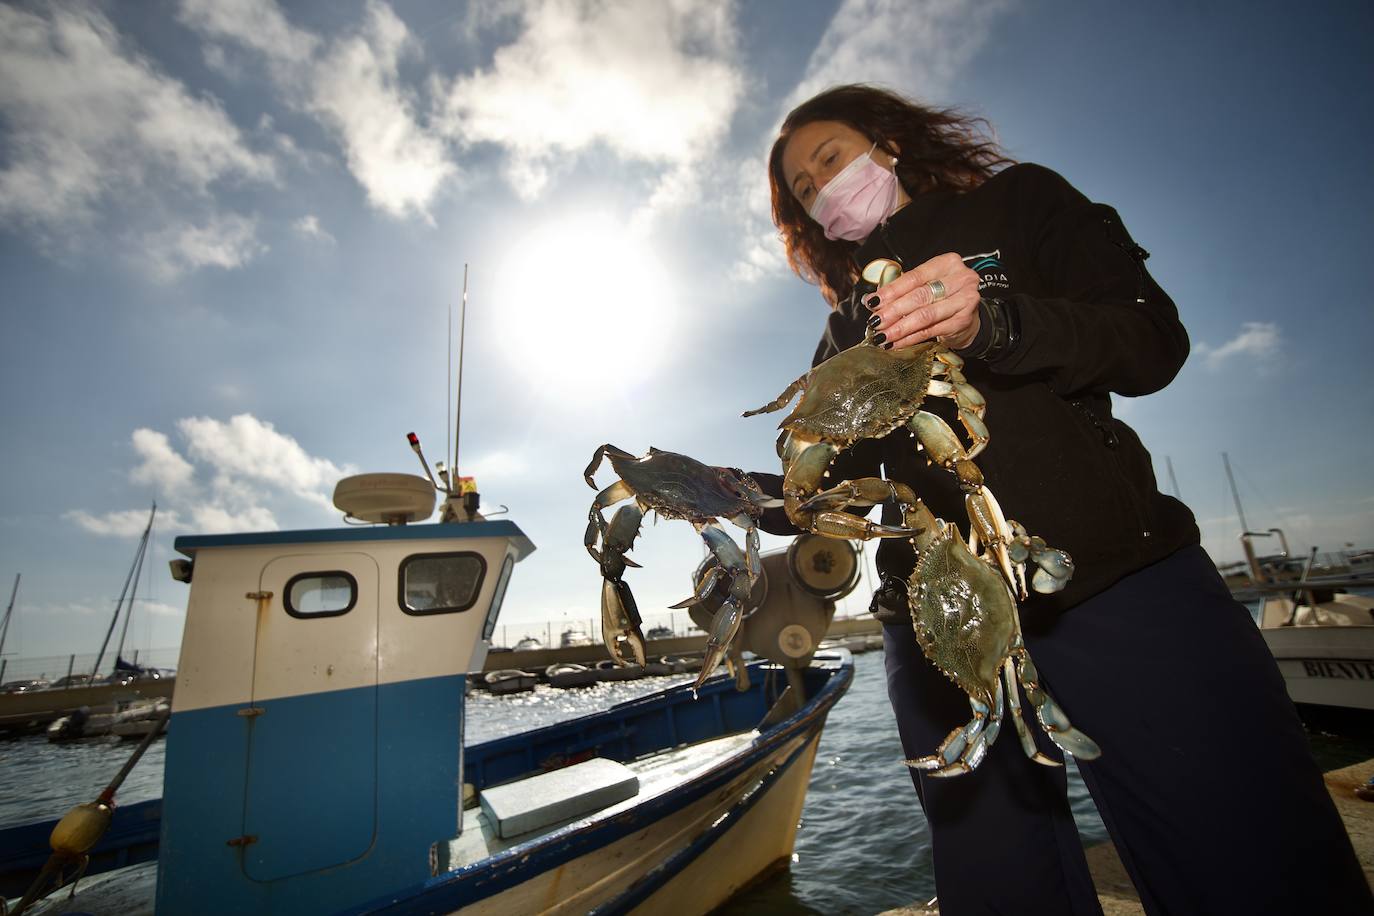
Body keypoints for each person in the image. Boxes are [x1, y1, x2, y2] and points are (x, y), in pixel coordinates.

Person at [750, 84, 1372, 915]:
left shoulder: (1023, 201)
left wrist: (994, 324)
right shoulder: (841, 334)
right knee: (1000, 891)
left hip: (1113, 583)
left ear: (887, 147)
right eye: (802, 187)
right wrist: (728, 494)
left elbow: (1152, 339)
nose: (821, 186)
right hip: (940, 632)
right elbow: (839, 494)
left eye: (829, 159)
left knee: (1254, 860)